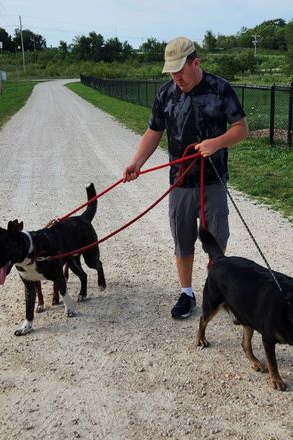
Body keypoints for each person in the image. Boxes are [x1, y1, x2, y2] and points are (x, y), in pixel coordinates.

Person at [122, 36, 249, 320]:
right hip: (180, 182)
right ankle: (187, 294)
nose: (176, 77)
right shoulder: (166, 94)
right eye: (172, 72)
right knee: (183, 239)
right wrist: (136, 163)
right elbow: (153, 132)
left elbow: (241, 128)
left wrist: (216, 142)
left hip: (213, 181)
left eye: (180, 70)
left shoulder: (220, 88)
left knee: (216, 239)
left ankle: (214, 290)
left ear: (196, 62)